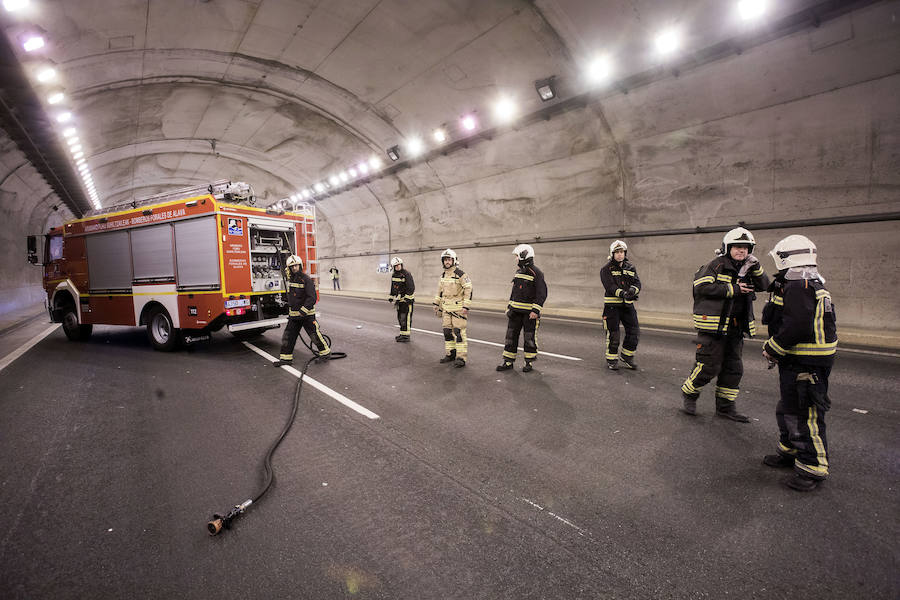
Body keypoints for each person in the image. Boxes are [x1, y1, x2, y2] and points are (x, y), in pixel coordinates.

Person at [761, 234, 837, 491]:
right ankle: (790, 451)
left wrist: (772, 348)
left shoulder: (799, 284)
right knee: (789, 408)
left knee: (806, 415)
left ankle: (812, 468)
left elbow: (797, 326)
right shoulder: (805, 280)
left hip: (806, 362)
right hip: (799, 361)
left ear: (786, 257)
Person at [680, 227, 769, 421]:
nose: (742, 251)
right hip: (713, 328)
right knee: (708, 366)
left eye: (746, 248)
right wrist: (734, 289)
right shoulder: (715, 265)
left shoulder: (749, 267)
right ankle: (689, 393)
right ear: (727, 247)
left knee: (733, 369)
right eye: (737, 247)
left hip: (736, 327)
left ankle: (725, 408)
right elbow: (702, 287)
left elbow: (764, 285)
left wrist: (757, 267)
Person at [497, 244, 548, 373]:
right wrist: (509, 307)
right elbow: (514, 292)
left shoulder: (537, 273)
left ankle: (528, 362)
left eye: (517, 257)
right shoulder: (518, 272)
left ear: (524, 256)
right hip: (515, 312)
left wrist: (535, 310)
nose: (516, 259)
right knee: (510, 337)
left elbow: (542, 293)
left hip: (529, 314)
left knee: (529, 338)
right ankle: (508, 361)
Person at [273, 255, 330, 366]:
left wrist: (303, 311)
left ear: (300, 265)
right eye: (292, 266)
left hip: (306, 315)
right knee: (288, 337)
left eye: (296, 265)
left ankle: (325, 353)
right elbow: (292, 296)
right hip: (294, 317)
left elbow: (312, 297)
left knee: (314, 335)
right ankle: (286, 359)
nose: (294, 268)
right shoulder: (291, 279)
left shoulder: (306, 279)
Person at [600, 240, 641, 370]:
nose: (619, 254)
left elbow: (637, 283)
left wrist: (633, 291)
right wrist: (623, 293)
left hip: (628, 306)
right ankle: (611, 360)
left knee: (634, 332)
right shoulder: (606, 269)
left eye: (621, 252)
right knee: (614, 334)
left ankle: (627, 356)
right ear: (612, 254)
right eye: (617, 252)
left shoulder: (630, 268)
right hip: (612, 307)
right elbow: (610, 286)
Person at [432, 248, 472, 368]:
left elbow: (468, 290)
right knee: (447, 333)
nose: (447, 262)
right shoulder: (443, 275)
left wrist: (466, 306)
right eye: (445, 260)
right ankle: (451, 354)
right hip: (446, 309)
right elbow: (439, 291)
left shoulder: (461, 274)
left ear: (454, 260)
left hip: (458, 310)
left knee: (459, 333)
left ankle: (461, 357)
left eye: (449, 259)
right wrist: (436, 304)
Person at [388, 256, 415, 342]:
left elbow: (411, 288)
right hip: (400, 301)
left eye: (399, 265)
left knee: (406, 318)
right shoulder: (394, 275)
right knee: (400, 318)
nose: (398, 266)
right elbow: (393, 287)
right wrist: (391, 297)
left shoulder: (406, 274)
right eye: (396, 266)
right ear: (393, 267)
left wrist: (407, 299)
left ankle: (406, 337)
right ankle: (402, 334)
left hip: (407, 302)